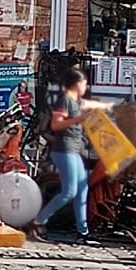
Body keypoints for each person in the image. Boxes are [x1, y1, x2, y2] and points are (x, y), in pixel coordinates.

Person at [27, 69, 114, 245]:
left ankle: (83, 232)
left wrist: (105, 107)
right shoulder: (65, 101)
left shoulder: (76, 101)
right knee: (69, 192)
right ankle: (38, 222)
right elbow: (56, 124)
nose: (86, 86)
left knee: (83, 189)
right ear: (75, 84)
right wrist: (80, 119)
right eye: (83, 83)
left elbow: (88, 105)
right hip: (64, 150)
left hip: (73, 151)